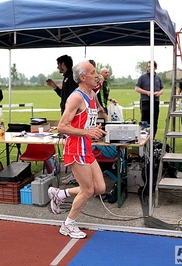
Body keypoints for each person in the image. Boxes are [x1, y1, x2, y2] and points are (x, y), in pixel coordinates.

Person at [47, 60, 107, 239]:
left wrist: (94, 128)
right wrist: (88, 131)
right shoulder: (76, 97)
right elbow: (62, 127)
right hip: (75, 148)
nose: (97, 75)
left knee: (100, 188)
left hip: (87, 148)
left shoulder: (90, 93)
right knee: (87, 190)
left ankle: (60, 194)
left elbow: (98, 84)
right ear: (82, 77)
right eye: (93, 73)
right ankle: (68, 224)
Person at [135, 61, 164, 137]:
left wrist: (159, 93)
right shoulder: (142, 77)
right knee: (145, 120)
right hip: (145, 101)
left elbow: (162, 89)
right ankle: (144, 137)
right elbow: (137, 88)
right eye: (148, 66)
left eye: (151, 66)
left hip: (155, 101)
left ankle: (152, 138)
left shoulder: (158, 78)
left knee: (154, 120)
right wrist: (147, 92)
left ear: (155, 67)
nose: (149, 68)